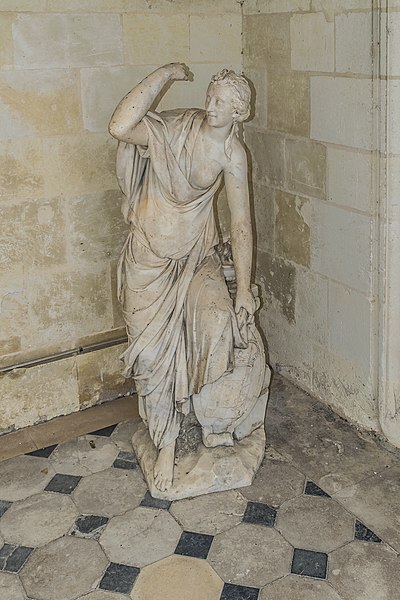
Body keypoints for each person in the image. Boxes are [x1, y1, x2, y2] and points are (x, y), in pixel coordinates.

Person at [109, 63, 256, 492]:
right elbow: (120, 126)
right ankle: (167, 443)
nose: (210, 107)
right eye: (210, 97)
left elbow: (241, 223)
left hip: (195, 259)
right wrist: (163, 75)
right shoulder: (175, 128)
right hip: (148, 262)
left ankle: (208, 423)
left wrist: (244, 289)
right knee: (153, 359)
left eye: (222, 103)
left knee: (216, 320)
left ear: (239, 113)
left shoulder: (232, 154)